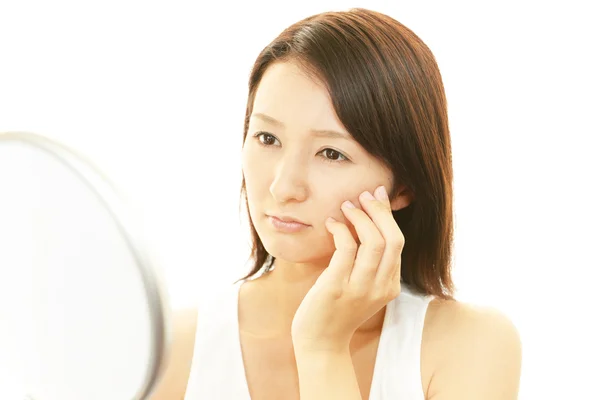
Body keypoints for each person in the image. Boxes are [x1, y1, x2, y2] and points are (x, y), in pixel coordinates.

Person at [151, 7, 522, 400]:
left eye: (330, 153)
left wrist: (322, 348)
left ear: (403, 188)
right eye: (267, 138)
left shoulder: (469, 346)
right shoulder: (171, 350)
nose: (283, 186)